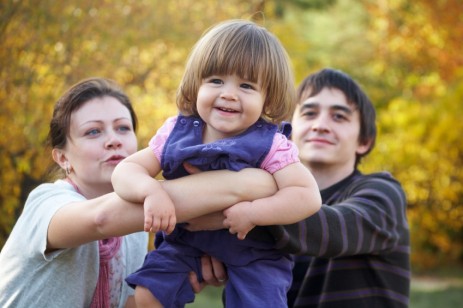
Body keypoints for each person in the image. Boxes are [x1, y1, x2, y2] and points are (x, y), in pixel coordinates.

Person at [0, 77, 277, 307]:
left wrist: (176, 283)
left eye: (123, 128)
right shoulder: (46, 202)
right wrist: (245, 185)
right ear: (62, 158)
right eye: (93, 132)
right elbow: (102, 219)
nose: (113, 140)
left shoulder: (134, 232)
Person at [111, 19, 322, 308]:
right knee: (148, 294)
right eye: (216, 81)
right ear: (196, 84)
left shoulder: (270, 144)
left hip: (255, 249)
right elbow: (125, 170)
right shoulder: (177, 133)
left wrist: (254, 212)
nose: (229, 93)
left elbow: (306, 195)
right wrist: (151, 191)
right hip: (185, 242)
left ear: (267, 98)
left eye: (246, 85)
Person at [192, 68, 410, 307]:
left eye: (339, 117)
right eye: (309, 113)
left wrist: (247, 213)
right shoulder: (260, 191)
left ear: (364, 141)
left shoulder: (383, 192)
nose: (320, 125)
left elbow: (336, 231)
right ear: (288, 131)